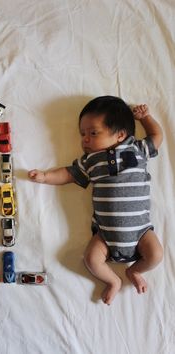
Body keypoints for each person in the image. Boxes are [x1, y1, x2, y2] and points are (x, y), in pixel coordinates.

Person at [28, 96, 163, 305]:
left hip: (141, 232)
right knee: (91, 259)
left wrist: (145, 118)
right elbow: (69, 174)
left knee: (155, 255)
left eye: (93, 133)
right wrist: (46, 177)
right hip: (105, 235)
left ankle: (134, 271)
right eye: (82, 134)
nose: (85, 139)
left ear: (120, 134)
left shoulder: (137, 150)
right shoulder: (91, 161)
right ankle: (113, 281)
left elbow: (156, 136)